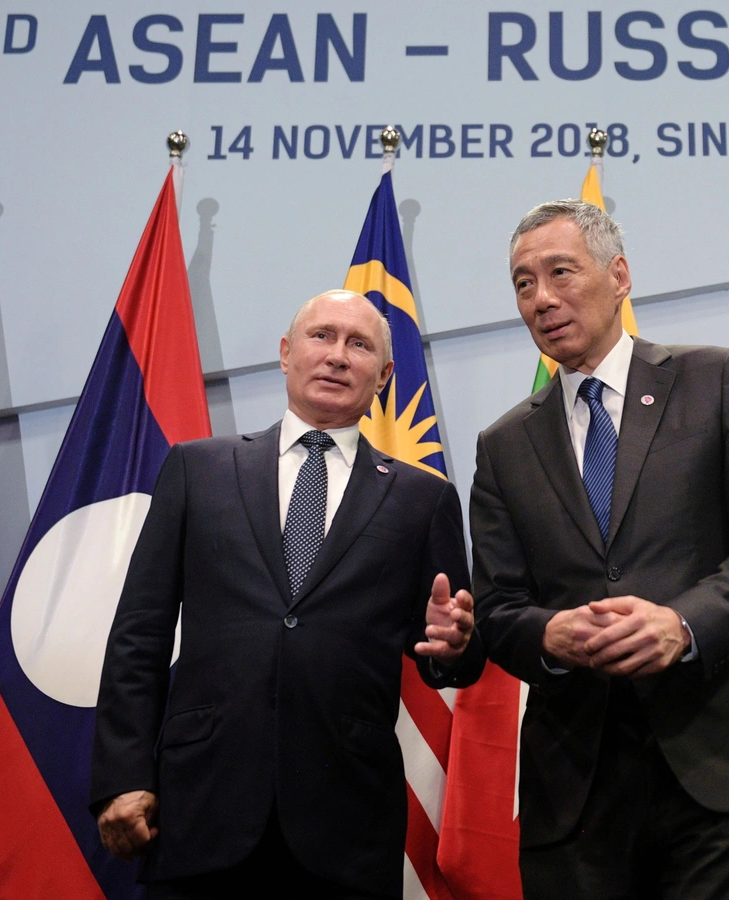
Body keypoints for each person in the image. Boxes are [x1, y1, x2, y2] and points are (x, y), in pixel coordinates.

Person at [471, 200, 729, 899]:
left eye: (560, 272)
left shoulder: (714, 379)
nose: (542, 298)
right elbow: (499, 608)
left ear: (619, 275)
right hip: (576, 789)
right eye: (522, 284)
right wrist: (550, 634)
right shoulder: (504, 444)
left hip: (718, 764)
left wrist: (683, 624)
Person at [91, 290, 483, 899]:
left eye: (359, 345)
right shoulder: (198, 469)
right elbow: (138, 633)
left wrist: (453, 645)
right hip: (203, 806)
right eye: (321, 336)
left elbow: (448, 658)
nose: (336, 356)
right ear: (285, 353)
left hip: (345, 819)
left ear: (383, 376)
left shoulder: (421, 498)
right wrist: (123, 773)